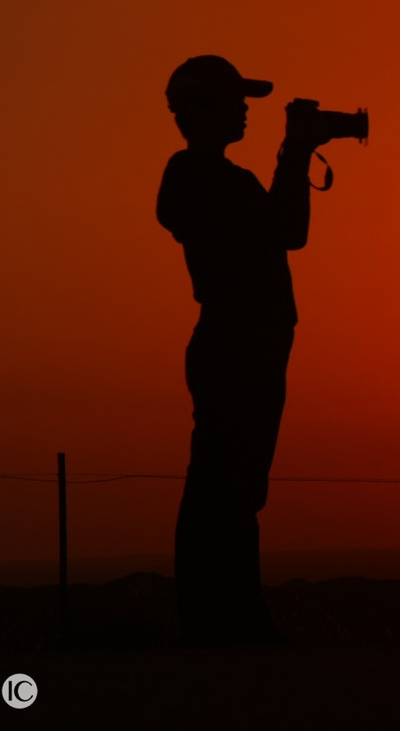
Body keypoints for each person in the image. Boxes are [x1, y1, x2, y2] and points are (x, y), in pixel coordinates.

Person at [156, 55, 323, 645]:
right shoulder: (191, 177)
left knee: (240, 485)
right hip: (232, 344)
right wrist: (295, 152)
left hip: (252, 345)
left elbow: (290, 232)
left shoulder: (230, 180)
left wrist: (296, 154)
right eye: (233, 100)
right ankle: (216, 625)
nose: (244, 110)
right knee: (221, 486)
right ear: (200, 111)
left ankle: (233, 622)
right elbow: (276, 230)